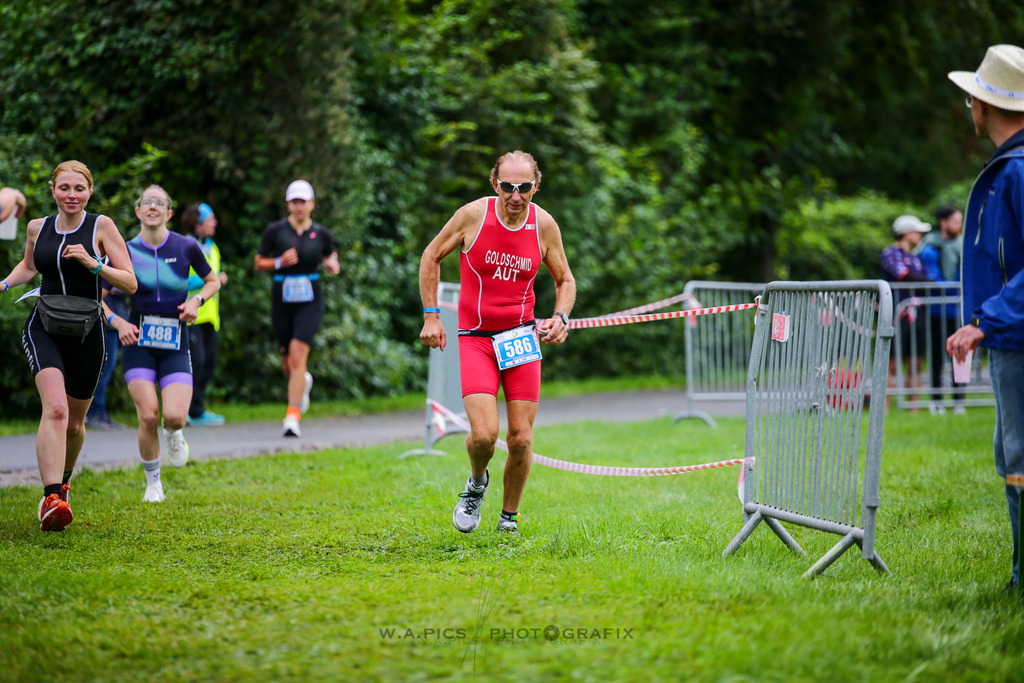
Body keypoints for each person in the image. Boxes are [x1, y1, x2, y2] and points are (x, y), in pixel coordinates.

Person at [419, 150, 576, 534]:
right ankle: (476, 483)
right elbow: (431, 256)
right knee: (485, 435)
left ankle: (509, 519)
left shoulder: (543, 225)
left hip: (520, 339)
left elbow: (565, 280)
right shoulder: (473, 215)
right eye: (507, 186)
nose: (515, 195)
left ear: (536, 186)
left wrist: (561, 317)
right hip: (476, 339)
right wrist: (432, 315)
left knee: (520, 438)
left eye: (524, 187)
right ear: (495, 184)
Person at [0, 160, 137, 531]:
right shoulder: (37, 227)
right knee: (57, 409)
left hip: (88, 331)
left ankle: (63, 483)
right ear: (53, 190)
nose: (71, 195)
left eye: (79, 188)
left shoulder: (101, 226)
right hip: (44, 325)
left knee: (75, 425)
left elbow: (129, 282)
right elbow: (29, 266)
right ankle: (51, 498)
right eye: (64, 188)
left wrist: (95, 264)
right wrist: (5, 283)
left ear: (90, 191)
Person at [946, 44, 1024, 593]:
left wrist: (986, 319)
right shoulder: (1007, 169)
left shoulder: (1018, 171)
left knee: (1020, 459)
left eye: (971, 97)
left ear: (984, 104)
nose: (968, 106)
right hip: (1008, 334)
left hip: (1017, 335)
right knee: (1011, 455)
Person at [102, 185, 221, 502]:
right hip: (137, 341)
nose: (152, 206)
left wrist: (196, 301)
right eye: (147, 202)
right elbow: (96, 299)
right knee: (148, 416)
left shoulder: (186, 246)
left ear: (169, 213)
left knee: (174, 417)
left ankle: (174, 432)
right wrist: (118, 322)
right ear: (138, 211)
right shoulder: (124, 250)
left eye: (160, 203)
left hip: (176, 341)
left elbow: (212, 281)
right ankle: (153, 483)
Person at [254, 179, 340, 438]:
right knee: (287, 361)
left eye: (303, 201)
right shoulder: (276, 231)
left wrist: (332, 264)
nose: (299, 206)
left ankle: (292, 416)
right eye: (294, 201)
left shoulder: (322, 233)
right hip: (282, 298)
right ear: (288, 204)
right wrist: (278, 262)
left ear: (312, 204)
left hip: (310, 299)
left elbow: (330, 254)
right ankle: (302, 382)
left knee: (297, 353)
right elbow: (258, 262)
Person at [881, 214, 935, 411]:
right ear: (906, 233)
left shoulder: (916, 257)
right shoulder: (890, 253)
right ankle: (884, 407)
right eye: (917, 232)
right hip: (897, 314)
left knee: (916, 361)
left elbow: (930, 279)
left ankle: (914, 408)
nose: (921, 236)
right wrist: (924, 282)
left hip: (918, 313)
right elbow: (904, 276)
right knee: (891, 363)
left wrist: (925, 282)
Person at [181, 202, 228, 427]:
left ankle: (197, 410)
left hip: (211, 317)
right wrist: (211, 279)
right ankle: (184, 410)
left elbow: (213, 281)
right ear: (196, 224)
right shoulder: (184, 245)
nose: (215, 223)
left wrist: (216, 281)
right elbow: (180, 280)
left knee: (209, 364)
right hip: (191, 316)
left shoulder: (212, 247)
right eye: (210, 220)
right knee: (195, 363)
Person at [919, 204, 965, 415]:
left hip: (959, 310)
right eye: (955, 221)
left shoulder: (963, 246)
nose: (959, 225)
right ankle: (936, 401)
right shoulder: (930, 248)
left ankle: (959, 401)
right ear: (943, 223)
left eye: (960, 221)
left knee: (961, 355)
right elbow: (933, 280)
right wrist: (956, 287)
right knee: (937, 356)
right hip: (937, 310)